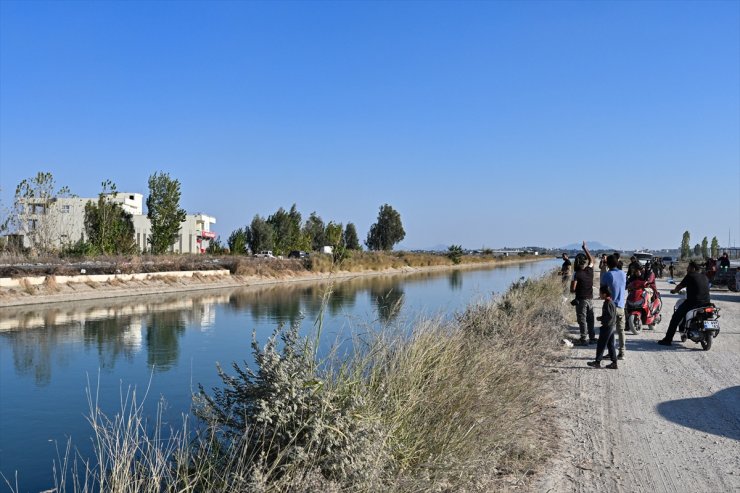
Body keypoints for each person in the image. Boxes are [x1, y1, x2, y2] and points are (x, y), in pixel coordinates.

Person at [658, 261, 711, 346]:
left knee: (675, 318)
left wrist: (674, 291)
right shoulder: (704, 276)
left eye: (689, 267)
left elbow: (679, 286)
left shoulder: (690, 275)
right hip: (707, 302)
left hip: (693, 302)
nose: (687, 269)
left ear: (693, 268)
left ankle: (667, 340)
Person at [601, 254, 627, 359]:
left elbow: (603, 290)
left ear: (607, 264)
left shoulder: (608, 274)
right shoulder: (623, 273)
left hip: (611, 307)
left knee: (609, 331)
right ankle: (622, 352)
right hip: (621, 306)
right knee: (621, 331)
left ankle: (611, 352)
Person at [586, 285, 618, 369]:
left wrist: (601, 319)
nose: (599, 295)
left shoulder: (608, 303)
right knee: (610, 345)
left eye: (600, 293)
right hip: (611, 326)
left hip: (607, 327)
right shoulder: (610, 302)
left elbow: (610, 316)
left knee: (601, 344)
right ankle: (614, 363)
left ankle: (597, 362)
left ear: (604, 294)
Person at [571, 241, 596, 345]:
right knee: (590, 319)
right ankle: (592, 338)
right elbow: (592, 260)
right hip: (590, 299)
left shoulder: (576, 274)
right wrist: (585, 248)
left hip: (581, 300)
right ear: (584, 262)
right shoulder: (589, 271)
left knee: (582, 320)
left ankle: (583, 338)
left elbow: (572, 289)